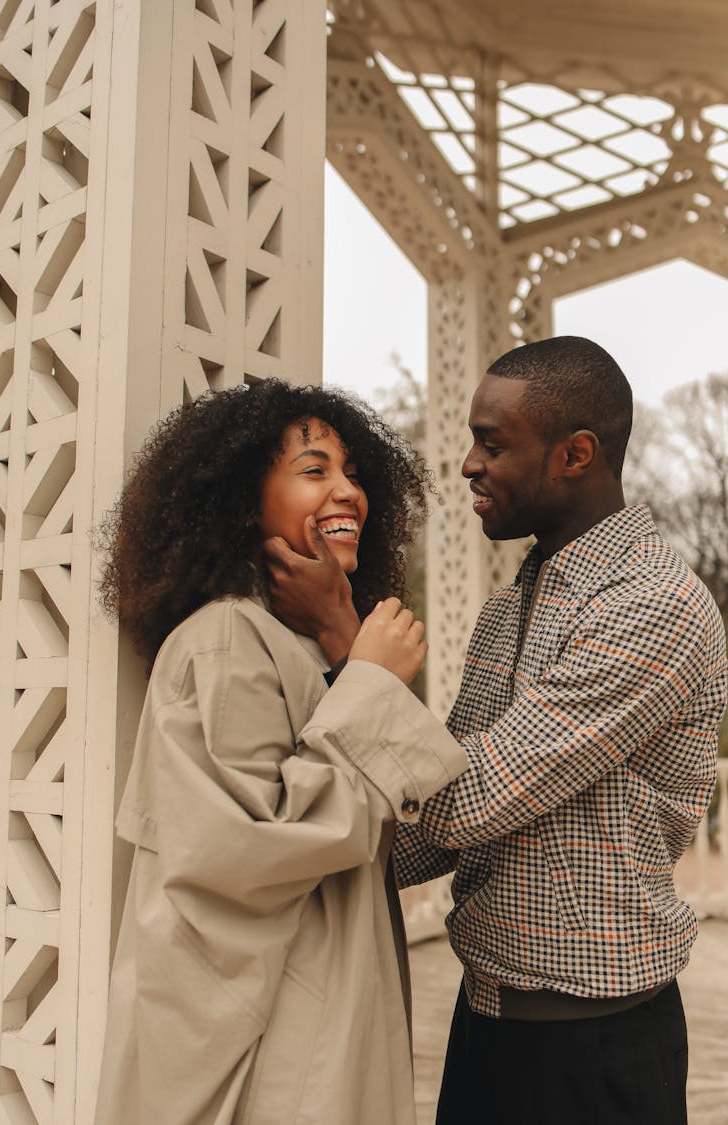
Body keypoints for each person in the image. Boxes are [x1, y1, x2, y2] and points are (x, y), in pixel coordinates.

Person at [264, 337, 728, 1125]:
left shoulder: (653, 606)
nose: (468, 463)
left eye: (493, 442)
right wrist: (273, 836)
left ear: (576, 453)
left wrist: (349, 639)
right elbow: (423, 837)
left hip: (595, 1051)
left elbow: (463, 801)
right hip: (484, 1029)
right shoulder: (508, 610)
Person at [92, 378, 467, 1125]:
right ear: (240, 500)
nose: (347, 491)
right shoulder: (227, 636)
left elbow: (416, 812)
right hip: (277, 1043)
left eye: (354, 473)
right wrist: (368, 676)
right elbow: (252, 843)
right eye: (314, 469)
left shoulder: (290, 641)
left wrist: (344, 642)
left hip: (319, 1004)